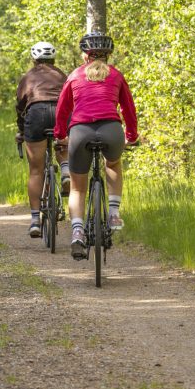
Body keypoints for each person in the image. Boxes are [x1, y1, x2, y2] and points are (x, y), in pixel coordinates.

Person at [54, 31, 139, 260]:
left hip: (80, 132)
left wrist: (60, 134)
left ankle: (77, 232)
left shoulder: (74, 75)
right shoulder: (117, 75)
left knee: (77, 188)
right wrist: (132, 135)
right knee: (112, 163)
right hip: (111, 130)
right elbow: (129, 110)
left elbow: (62, 109)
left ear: (85, 56)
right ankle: (113, 213)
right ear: (108, 55)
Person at [15, 41, 70, 238]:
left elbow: (21, 107)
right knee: (63, 148)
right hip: (60, 113)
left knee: (36, 170)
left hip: (36, 114)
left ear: (34, 59)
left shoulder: (28, 77)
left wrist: (22, 131)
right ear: (53, 59)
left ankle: (35, 220)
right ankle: (65, 170)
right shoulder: (62, 75)